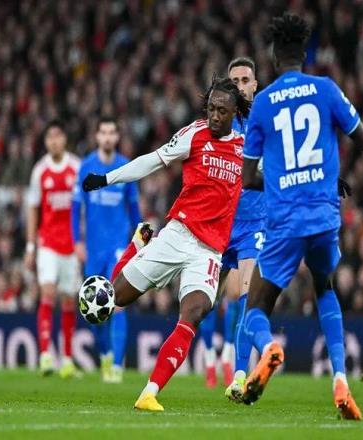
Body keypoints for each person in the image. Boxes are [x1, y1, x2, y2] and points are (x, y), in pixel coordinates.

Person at [241, 13, 363, 419]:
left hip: (284, 222)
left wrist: (282, 179)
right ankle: (340, 379)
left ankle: (269, 347)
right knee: (325, 287)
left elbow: (247, 178)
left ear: (274, 58)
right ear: (304, 56)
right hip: (325, 219)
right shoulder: (326, 89)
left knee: (255, 306)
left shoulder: (263, 103)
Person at [81, 77, 251, 411]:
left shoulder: (245, 145)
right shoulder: (194, 134)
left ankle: (149, 393)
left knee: (194, 313)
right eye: (211, 108)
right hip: (177, 234)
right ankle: (136, 247)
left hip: (208, 251)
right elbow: (152, 160)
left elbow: (277, 168)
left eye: (222, 111)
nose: (215, 116)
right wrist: (107, 178)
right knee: (114, 300)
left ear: (234, 113)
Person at [199, 57, 264, 390]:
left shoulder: (266, 121)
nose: (240, 86)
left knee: (246, 296)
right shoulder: (218, 123)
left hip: (254, 224)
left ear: (255, 84)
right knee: (205, 299)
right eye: (234, 81)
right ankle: (209, 358)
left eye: (245, 80)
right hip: (220, 222)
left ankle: (238, 374)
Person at [72, 116, 141, 383]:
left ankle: (117, 365)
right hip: (93, 249)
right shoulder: (86, 167)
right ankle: (105, 354)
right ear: (97, 136)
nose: (108, 137)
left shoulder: (126, 167)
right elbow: (76, 208)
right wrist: (77, 241)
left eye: (112, 132)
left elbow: (134, 210)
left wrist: (140, 241)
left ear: (117, 136)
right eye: (104, 132)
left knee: (118, 304)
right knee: (90, 308)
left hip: (118, 247)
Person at [24, 120, 81, 378]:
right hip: (47, 243)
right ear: (46, 141)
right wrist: (30, 246)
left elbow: (82, 207)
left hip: (71, 245)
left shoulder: (76, 167)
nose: (54, 141)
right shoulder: (40, 171)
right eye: (50, 137)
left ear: (64, 139)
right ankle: (46, 355)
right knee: (47, 292)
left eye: (58, 136)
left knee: (68, 299)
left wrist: (83, 240)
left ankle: (67, 359)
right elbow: (32, 210)